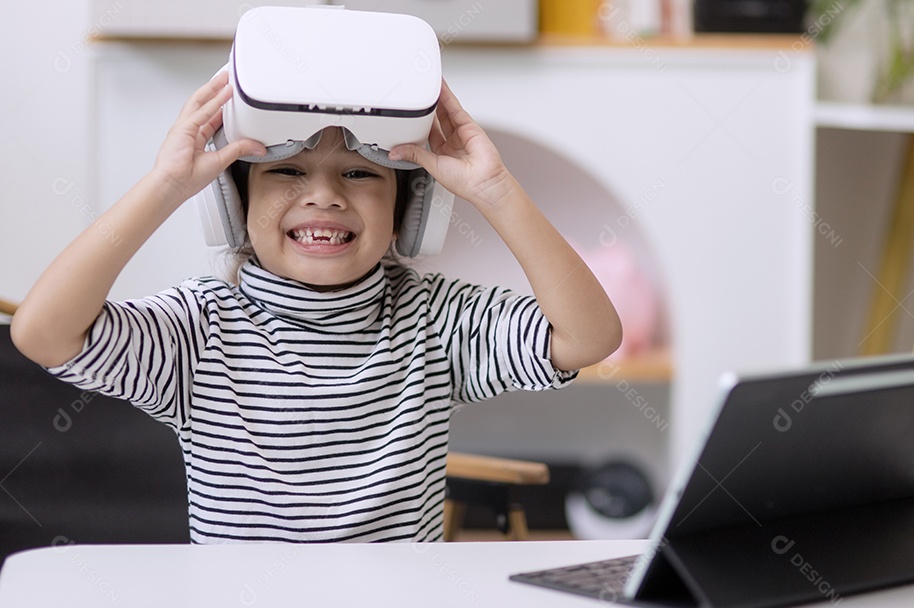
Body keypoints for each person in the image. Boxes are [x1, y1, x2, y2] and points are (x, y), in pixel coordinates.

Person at [10, 72, 622, 543]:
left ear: (407, 214)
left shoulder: (437, 319)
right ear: (235, 203)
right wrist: (167, 184)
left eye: (359, 174)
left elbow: (588, 337)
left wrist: (495, 189)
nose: (324, 196)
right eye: (287, 171)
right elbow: (44, 334)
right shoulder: (198, 327)